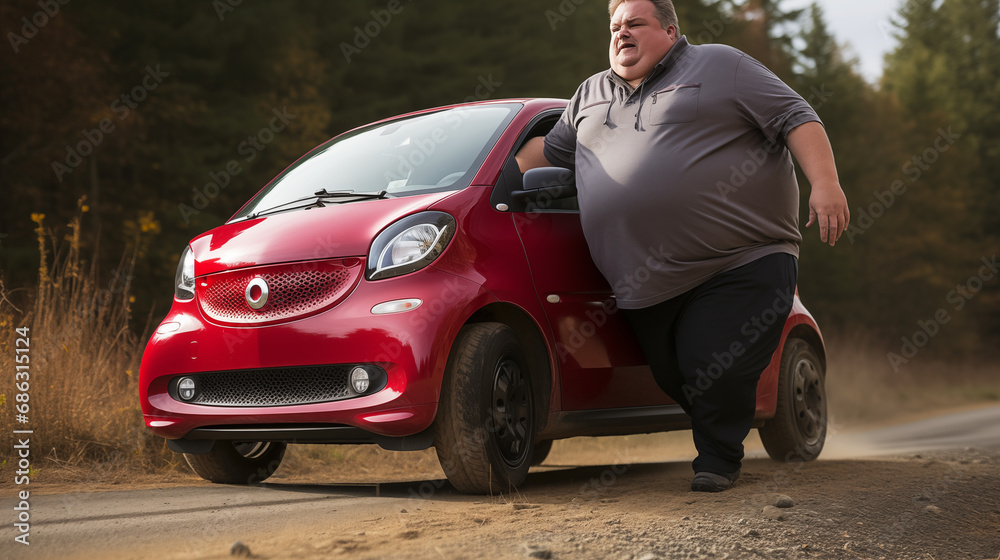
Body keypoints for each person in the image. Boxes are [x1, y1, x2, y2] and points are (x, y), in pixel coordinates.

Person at [516, 0, 849, 492]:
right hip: (645, 285)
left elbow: (796, 115)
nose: (621, 33)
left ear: (670, 30)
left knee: (710, 362)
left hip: (740, 260)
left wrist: (825, 184)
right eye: (614, 27)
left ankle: (717, 461)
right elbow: (545, 155)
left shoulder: (720, 65)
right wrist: (490, 177)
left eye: (635, 23)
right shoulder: (589, 94)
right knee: (679, 376)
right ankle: (727, 424)